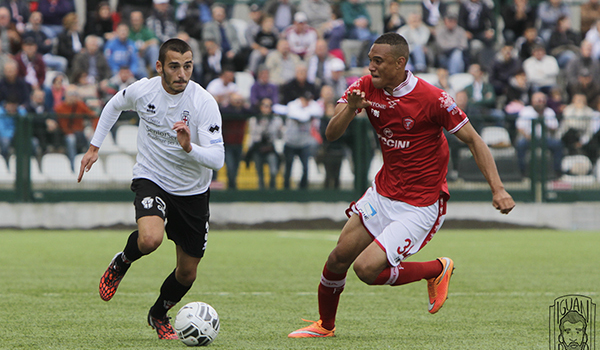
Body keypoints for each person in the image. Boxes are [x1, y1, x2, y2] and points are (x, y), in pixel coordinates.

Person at [288, 33, 515, 338]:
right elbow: (331, 134)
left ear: (400, 63)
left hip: (419, 205)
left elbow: (474, 140)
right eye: (369, 60)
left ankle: (436, 269)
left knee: (366, 270)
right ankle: (325, 326)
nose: (371, 67)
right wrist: (349, 108)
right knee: (338, 258)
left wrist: (498, 189)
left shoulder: (433, 98)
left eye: (378, 61)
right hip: (382, 194)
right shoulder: (365, 87)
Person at [77, 38, 225, 340]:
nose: (182, 73)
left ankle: (159, 314)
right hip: (152, 177)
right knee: (150, 238)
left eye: (187, 66)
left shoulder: (204, 102)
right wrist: (94, 147)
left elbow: (217, 158)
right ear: (159, 67)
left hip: (193, 191)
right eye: (174, 66)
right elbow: (114, 104)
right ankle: (122, 261)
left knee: (187, 273)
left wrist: (189, 148)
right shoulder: (144, 91)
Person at [515, 91, 563, 176]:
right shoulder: (526, 111)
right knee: (520, 144)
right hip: (529, 138)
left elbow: (554, 128)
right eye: (537, 100)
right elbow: (520, 127)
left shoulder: (549, 112)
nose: (539, 102)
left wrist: (544, 122)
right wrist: (528, 137)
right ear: (532, 101)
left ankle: (557, 172)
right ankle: (521, 172)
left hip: (545, 139)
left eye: (542, 100)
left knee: (557, 144)